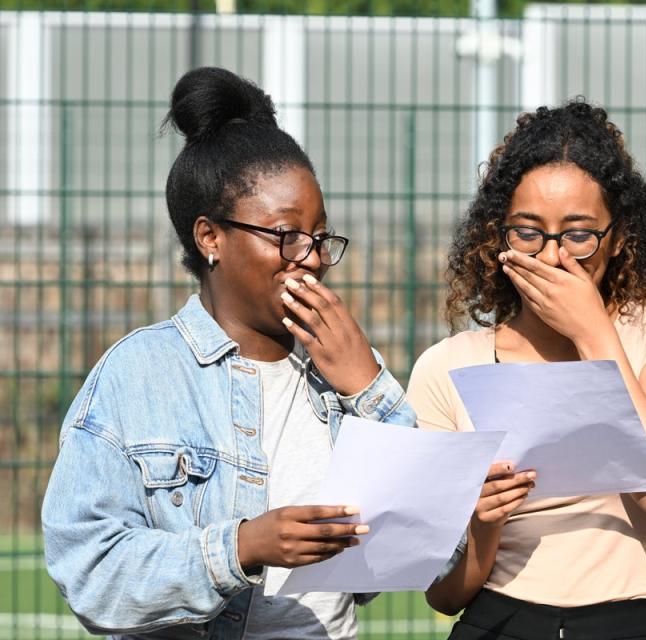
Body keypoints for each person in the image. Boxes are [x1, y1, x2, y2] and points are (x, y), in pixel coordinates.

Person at [41, 66, 415, 639]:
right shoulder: (137, 376)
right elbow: (90, 573)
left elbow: (426, 545)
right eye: (286, 235)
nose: (310, 257)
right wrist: (241, 547)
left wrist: (370, 389)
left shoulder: (342, 374)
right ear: (210, 238)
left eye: (319, 237)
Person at [406, 100, 646, 640]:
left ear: (618, 237)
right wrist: (484, 526)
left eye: (578, 234)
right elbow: (443, 593)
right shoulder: (447, 366)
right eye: (527, 232)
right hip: (500, 619)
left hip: (640, 619)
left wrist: (593, 332)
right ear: (496, 236)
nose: (552, 257)